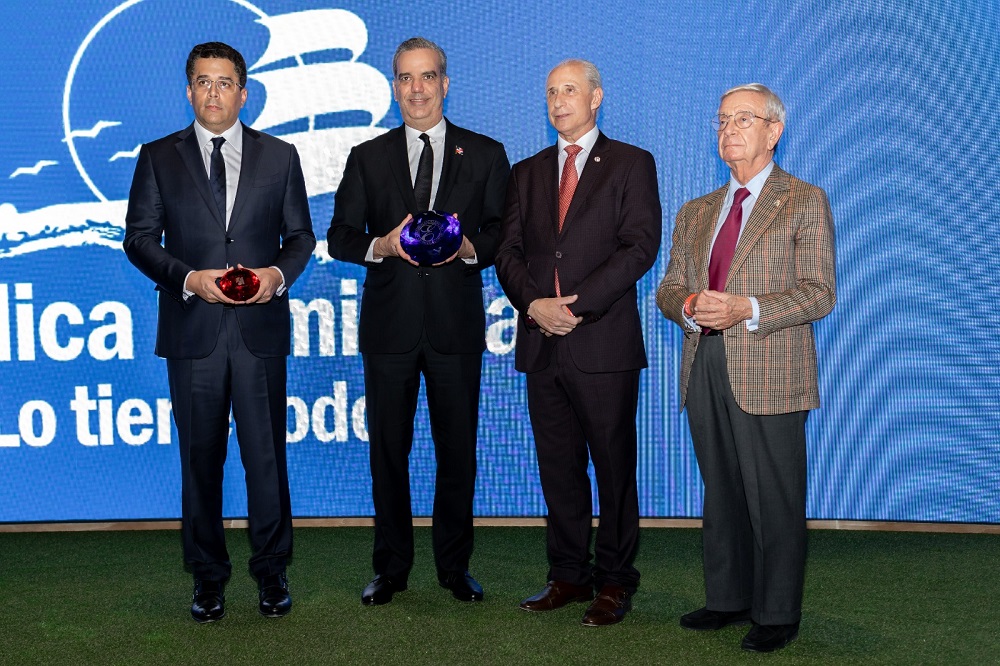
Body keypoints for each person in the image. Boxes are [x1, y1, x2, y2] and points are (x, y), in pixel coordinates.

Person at [123, 42, 315, 623]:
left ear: (243, 91)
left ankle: (271, 572)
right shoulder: (158, 157)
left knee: (266, 460)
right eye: (202, 82)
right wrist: (188, 279)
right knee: (199, 461)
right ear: (188, 90)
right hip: (193, 333)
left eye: (224, 82)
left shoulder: (279, 156)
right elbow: (138, 238)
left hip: (259, 332)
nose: (213, 93)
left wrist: (276, 275)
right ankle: (207, 578)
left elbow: (301, 239)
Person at [326, 37, 510, 606]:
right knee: (388, 451)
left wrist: (467, 249)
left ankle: (455, 568)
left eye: (428, 77)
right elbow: (339, 237)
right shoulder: (368, 156)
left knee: (458, 453)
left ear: (445, 83)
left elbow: (503, 231)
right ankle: (391, 569)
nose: (417, 89)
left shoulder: (485, 154)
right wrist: (380, 243)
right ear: (394, 86)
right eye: (406, 78)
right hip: (390, 331)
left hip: (455, 329)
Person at [656, 83, 836, 652]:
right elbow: (668, 288)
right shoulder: (697, 210)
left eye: (743, 119)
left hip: (771, 366)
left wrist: (748, 308)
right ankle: (727, 598)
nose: (728, 129)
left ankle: (778, 612)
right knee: (722, 489)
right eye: (721, 120)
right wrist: (687, 306)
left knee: (775, 495)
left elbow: (820, 293)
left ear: (774, 130)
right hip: (704, 358)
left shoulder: (803, 200)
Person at [494, 59, 661, 627]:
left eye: (569, 90)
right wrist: (535, 306)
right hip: (542, 343)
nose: (558, 100)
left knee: (614, 468)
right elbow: (507, 253)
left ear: (596, 97)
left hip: (603, 344)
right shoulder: (526, 172)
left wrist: (577, 306)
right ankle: (567, 574)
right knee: (557, 468)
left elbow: (639, 248)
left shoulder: (632, 164)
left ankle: (615, 581)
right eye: (550, 92)